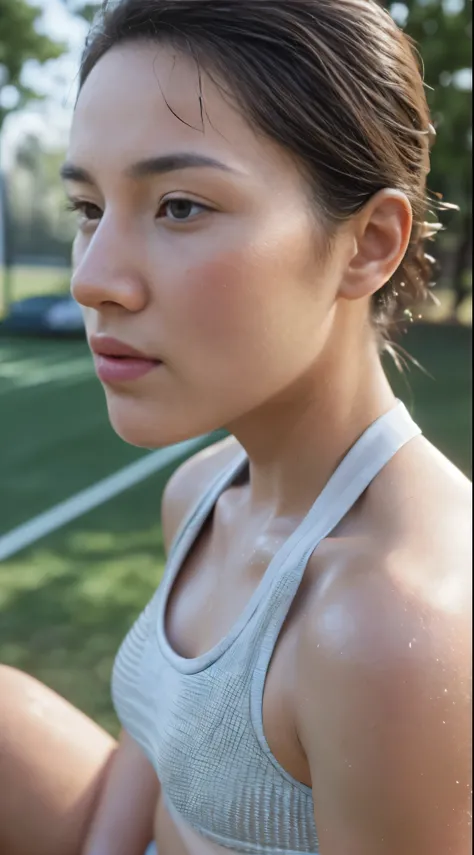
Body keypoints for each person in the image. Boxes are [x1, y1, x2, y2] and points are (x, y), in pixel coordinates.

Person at [0, 1, 471, 853]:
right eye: (88, 209)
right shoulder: (204, 490)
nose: (93, 280)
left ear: (368, 243)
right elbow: (159, 754)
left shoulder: (387, 630)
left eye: (179, 206)